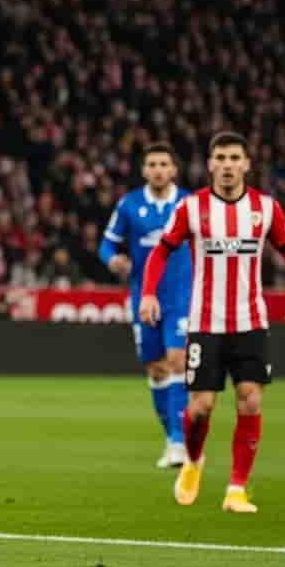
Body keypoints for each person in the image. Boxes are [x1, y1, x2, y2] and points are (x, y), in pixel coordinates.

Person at [140, 132, 285, 513]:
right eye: (221, 157)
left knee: (250, 400)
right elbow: (161, 252)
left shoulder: (266, 208)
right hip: (206, 323)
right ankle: (193, 460)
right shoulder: (192, 208)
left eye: (235, 157)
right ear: (211, 164)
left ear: (247, 164)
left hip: (251, 322)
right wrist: (149, 293)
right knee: (200, 407)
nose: (228, 164)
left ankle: (236, 489)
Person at [100, 143, 193, 468]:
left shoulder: (189, 204)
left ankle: (180, 443)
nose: (157, 169)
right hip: (144, 297)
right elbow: (107, 243)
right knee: (155, 370)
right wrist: (113, 260)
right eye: (151, 163)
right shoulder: (129, 204)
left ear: (173, 170)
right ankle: (172, 438)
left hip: (181, 296)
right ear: (144, 170)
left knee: (177, 361)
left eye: (163, 163)